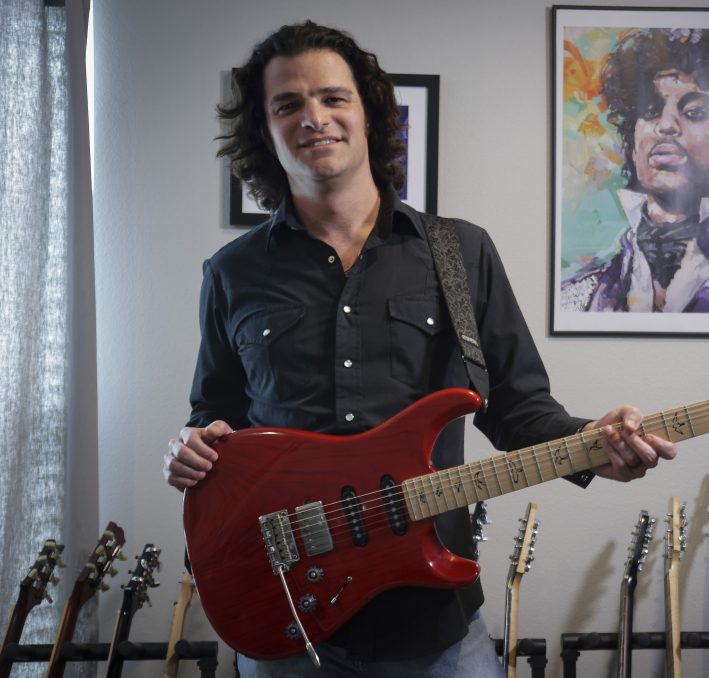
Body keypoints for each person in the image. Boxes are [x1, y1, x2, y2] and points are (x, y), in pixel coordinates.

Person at [161, 21, 676, 678]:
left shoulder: (460, 252)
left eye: (332, 98)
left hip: (430, 617)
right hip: (287, 606)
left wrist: (593, 446)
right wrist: (191, 445)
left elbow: (517, 407)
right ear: (266, 130)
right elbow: (216, 417)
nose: (313, 118)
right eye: (287, 105)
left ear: (369, 115)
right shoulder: (232, 272)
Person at [561, 28, 709, 314]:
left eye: (694, 112)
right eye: (650, 110)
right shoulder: (579, 298)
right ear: (633, 144)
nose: (665, 125)